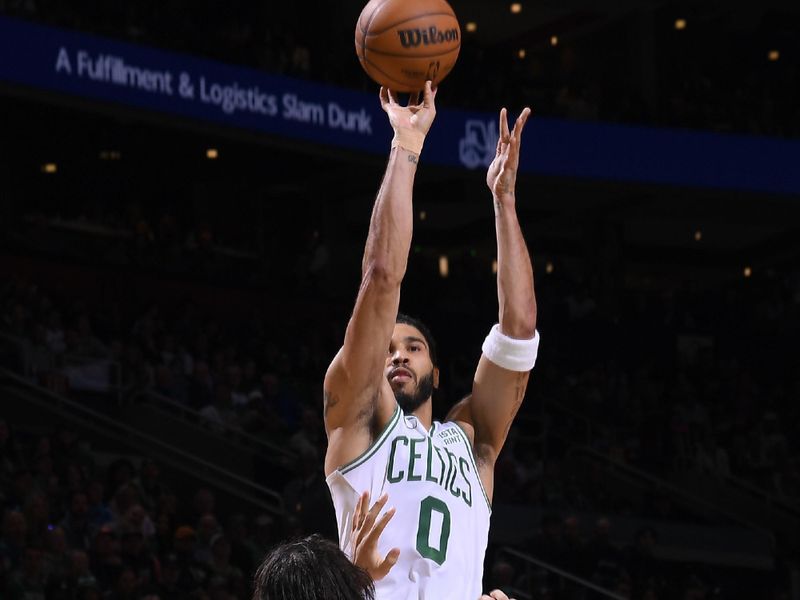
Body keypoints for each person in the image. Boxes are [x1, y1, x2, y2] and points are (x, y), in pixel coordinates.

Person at [323, 80, 538, 599]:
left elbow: (519, 333)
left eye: (413, 347)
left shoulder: (471, 441)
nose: (397, 353)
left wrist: (504, 202)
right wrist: (407, 146)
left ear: (436, 374)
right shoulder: (355, 420)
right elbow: (380, 277)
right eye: (390, 347)